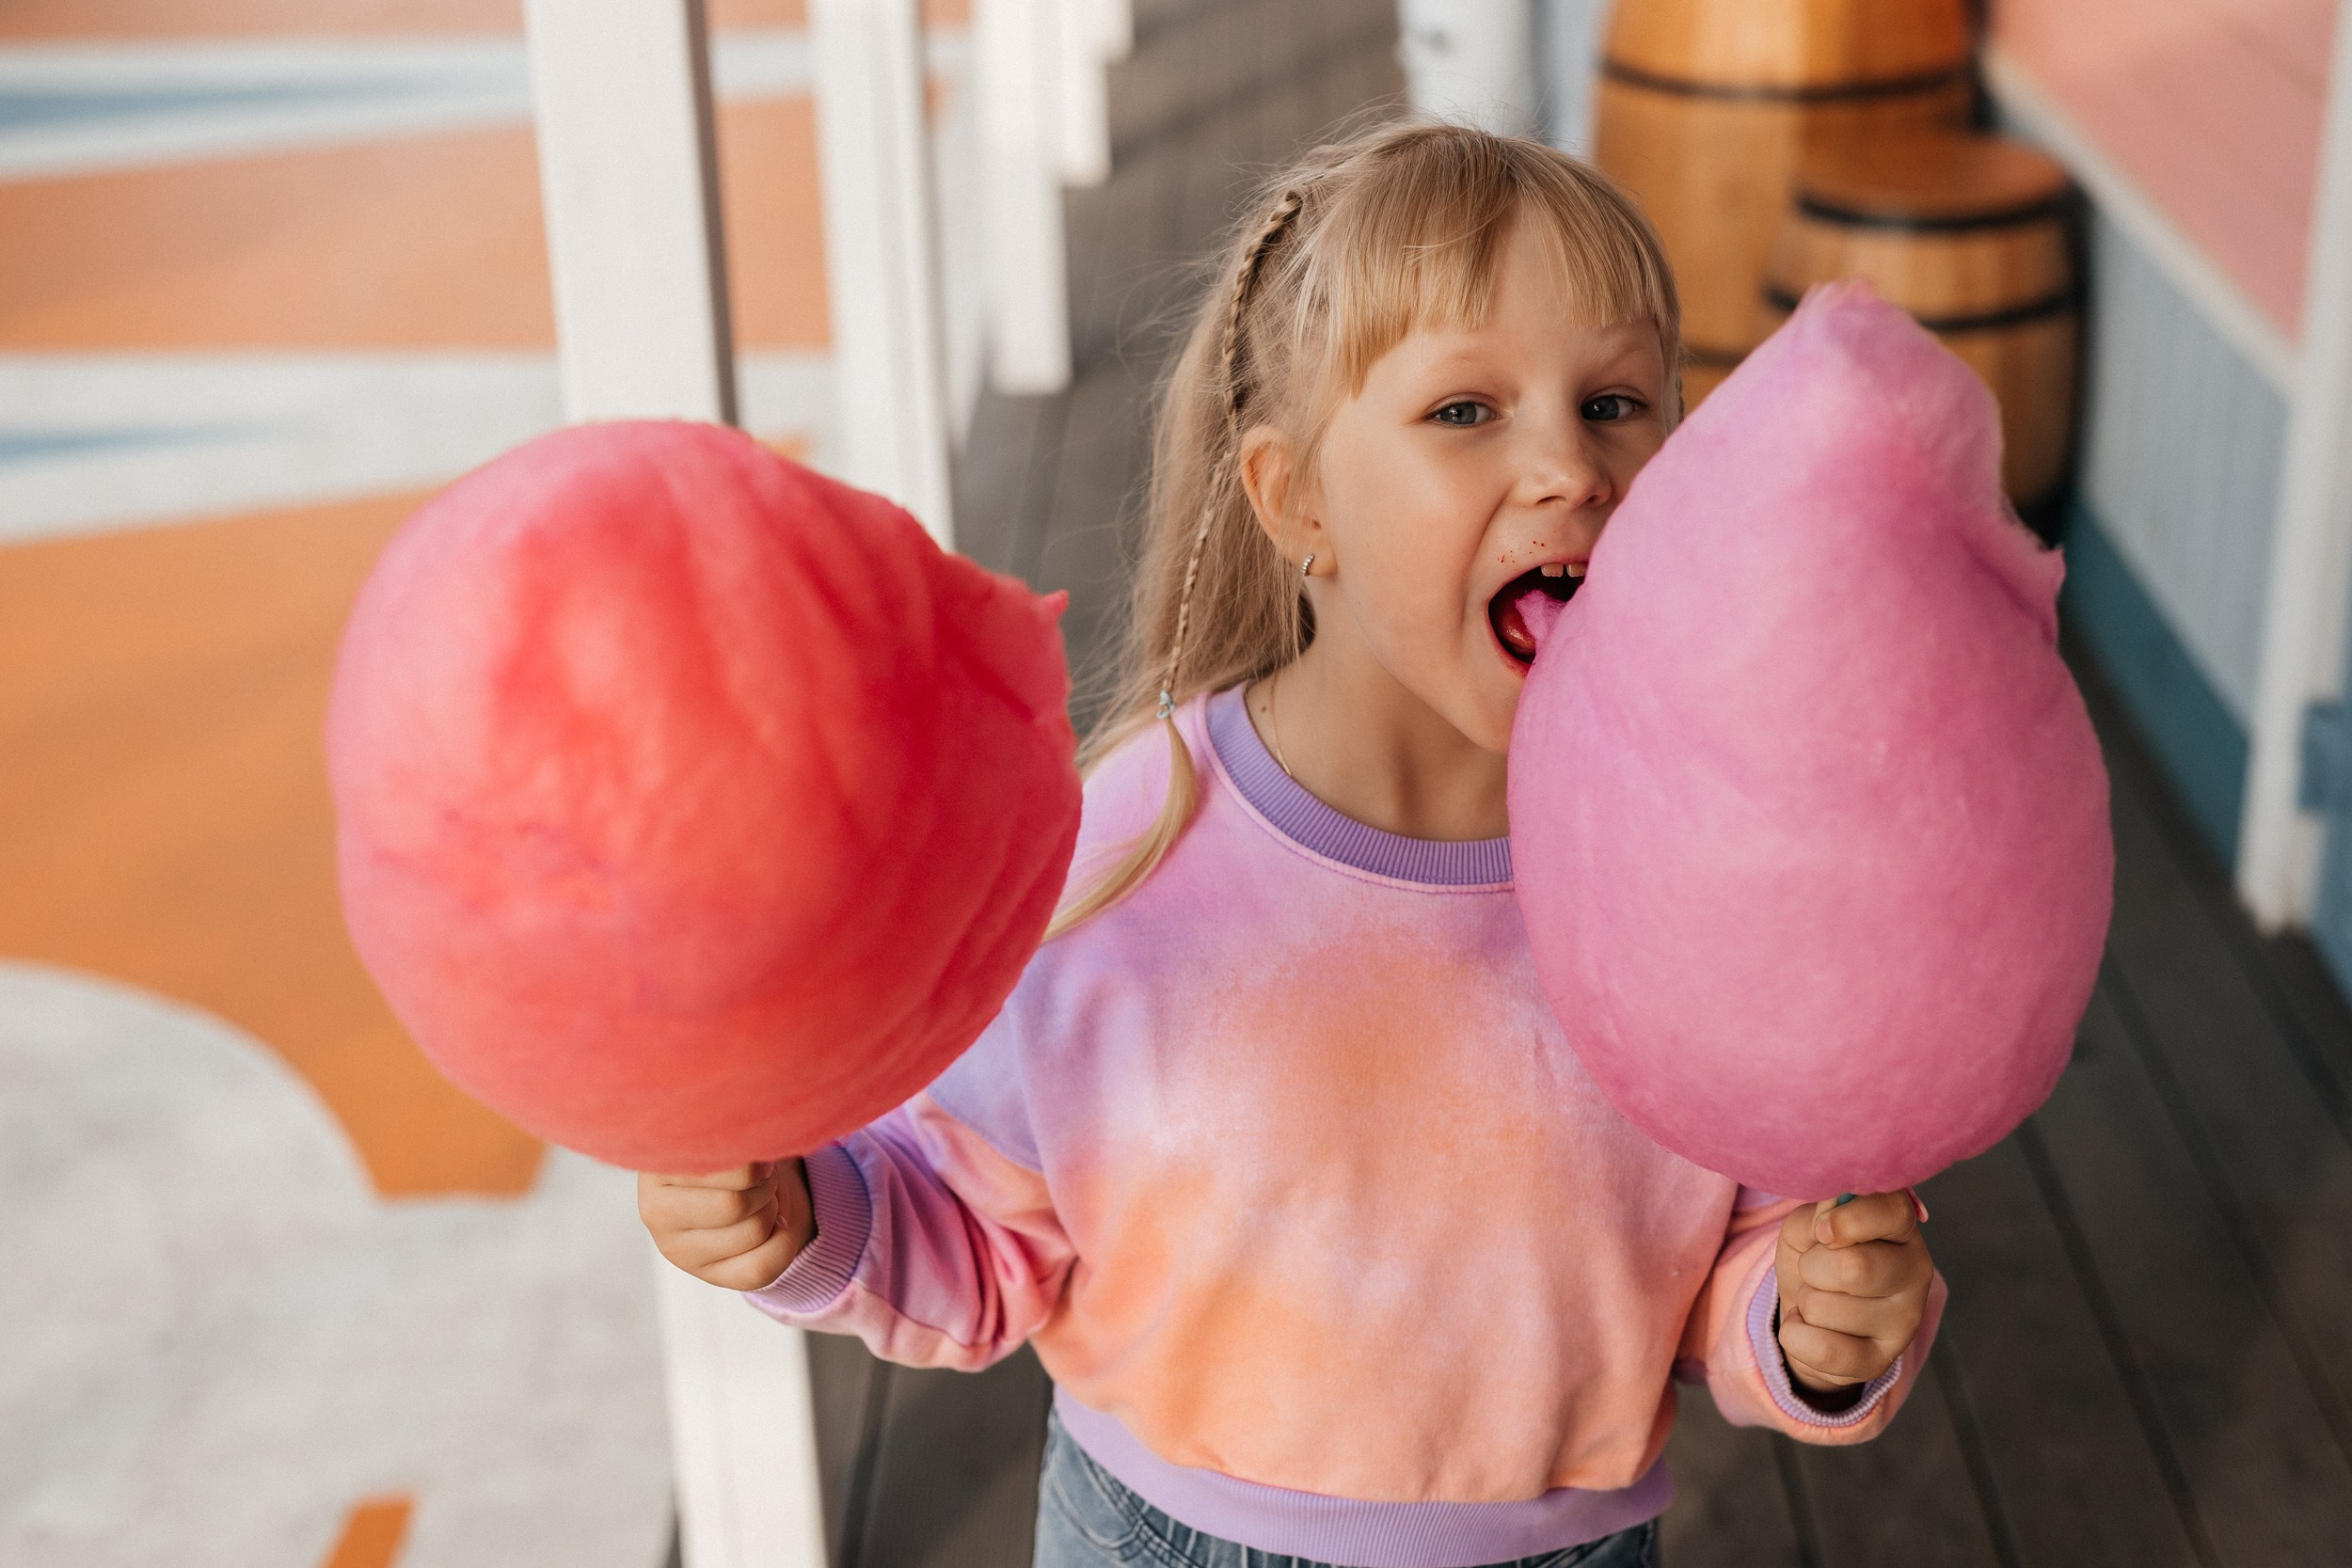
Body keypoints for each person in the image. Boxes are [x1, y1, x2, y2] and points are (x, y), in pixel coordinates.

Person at [639, 120, 1942, 1568]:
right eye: (1467, 410)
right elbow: (973, 1230)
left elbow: (1740, 1259)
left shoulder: (1699, 875)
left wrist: (1814, 1324)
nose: (1571, 466)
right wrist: (805, 1215)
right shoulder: (1129, 849)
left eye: (1618, 401)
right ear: (1296, 500)